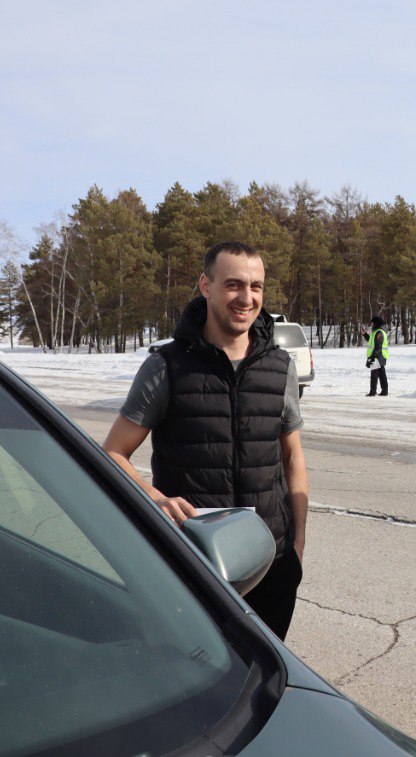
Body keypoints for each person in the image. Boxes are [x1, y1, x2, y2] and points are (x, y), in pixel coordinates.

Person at [102, 241, 309, 640]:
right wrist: (157, 499)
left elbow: (293, 457)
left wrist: (297, 544)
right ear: (206, 286)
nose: (246, 298)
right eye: (233, 285)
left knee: (266, 682)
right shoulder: (166, 366)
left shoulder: (280, 367)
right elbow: (114, 452)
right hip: (194, 562)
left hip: (273, 562)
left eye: (256, 287)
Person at [365, 315, 389, 396]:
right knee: (382, 374)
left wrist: (372, 357)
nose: (371, 325)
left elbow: (378, 346)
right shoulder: (377, 332)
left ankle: (372, 392)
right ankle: (384, 391)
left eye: (372, 323)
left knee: (374, 374)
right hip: (380, 356)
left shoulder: (379, 332)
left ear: (376, 323)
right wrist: (364, 334)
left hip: (378, 356)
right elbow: (372, 342)